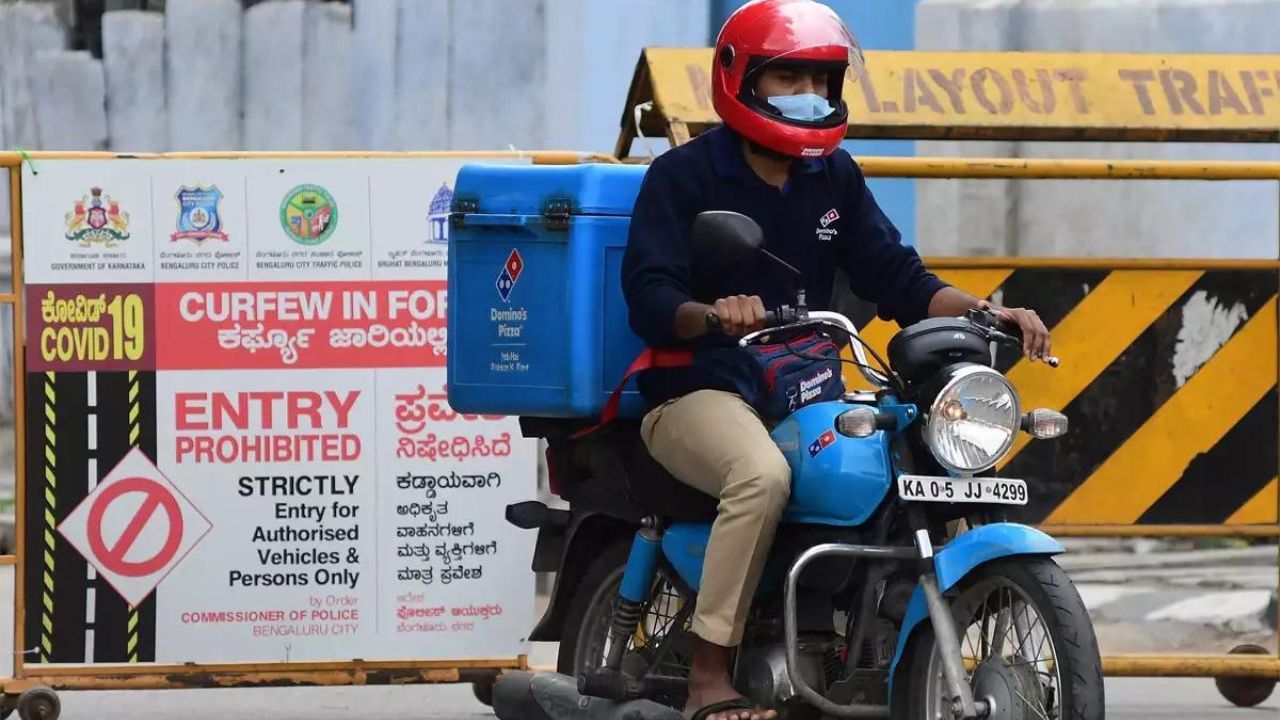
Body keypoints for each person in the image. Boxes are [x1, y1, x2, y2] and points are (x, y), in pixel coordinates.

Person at [620, 2, 1053, 719]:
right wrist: (712, 313)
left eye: (819, 78)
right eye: (786, 75)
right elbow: (648, 293)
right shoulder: (683, 176)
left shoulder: (834, 177)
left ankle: (865, 641)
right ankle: (708, 669)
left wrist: (985, 310)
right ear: (740, 80)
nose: (807, 93)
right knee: (759, 477)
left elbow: (899, 277)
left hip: (803, 383)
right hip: (694, 386)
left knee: (907, 458)